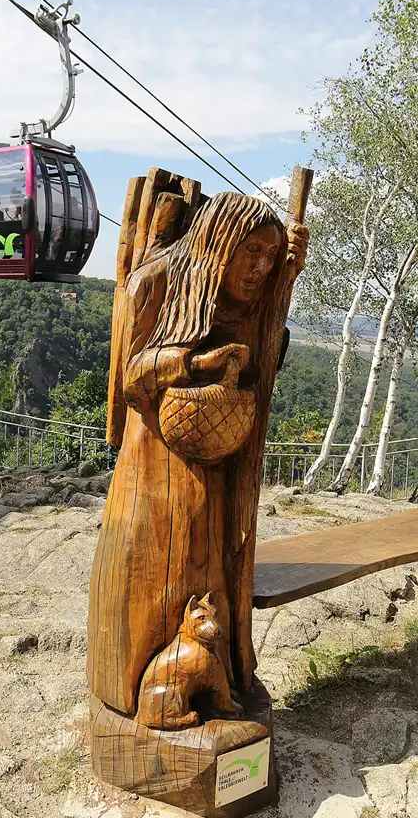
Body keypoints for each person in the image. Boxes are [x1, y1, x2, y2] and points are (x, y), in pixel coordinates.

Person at [86, 191, 309, 716]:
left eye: (269, 257)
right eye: (250, 251)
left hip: (216, 464)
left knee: (207, 572)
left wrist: (285, 286)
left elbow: (265, 360)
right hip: (153, 467)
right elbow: (130, 378)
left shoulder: (250, 301)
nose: (259, 267)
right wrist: (193, 364)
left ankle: (215, 681)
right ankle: (136, 691)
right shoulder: (156, 282)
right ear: (218, 242)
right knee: (151, 577)